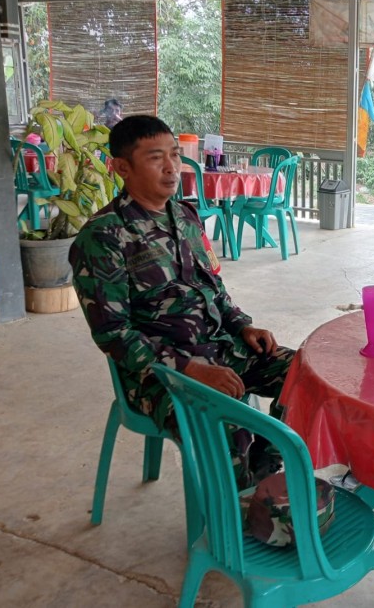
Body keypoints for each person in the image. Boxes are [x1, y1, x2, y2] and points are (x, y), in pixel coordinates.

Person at [70, 115, 293, 484]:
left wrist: (242, 325)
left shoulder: (186, 216)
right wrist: (190, 369)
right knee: (224, 420)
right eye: (155, 157)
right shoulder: (103, 237)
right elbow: (113, 334)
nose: (171, 166)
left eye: (175, 154)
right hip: (160, 375)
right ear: (122, 167)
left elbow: (214, 287)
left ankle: (262, 472)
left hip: (220, 347)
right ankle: (235, 507)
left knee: (304, 377)